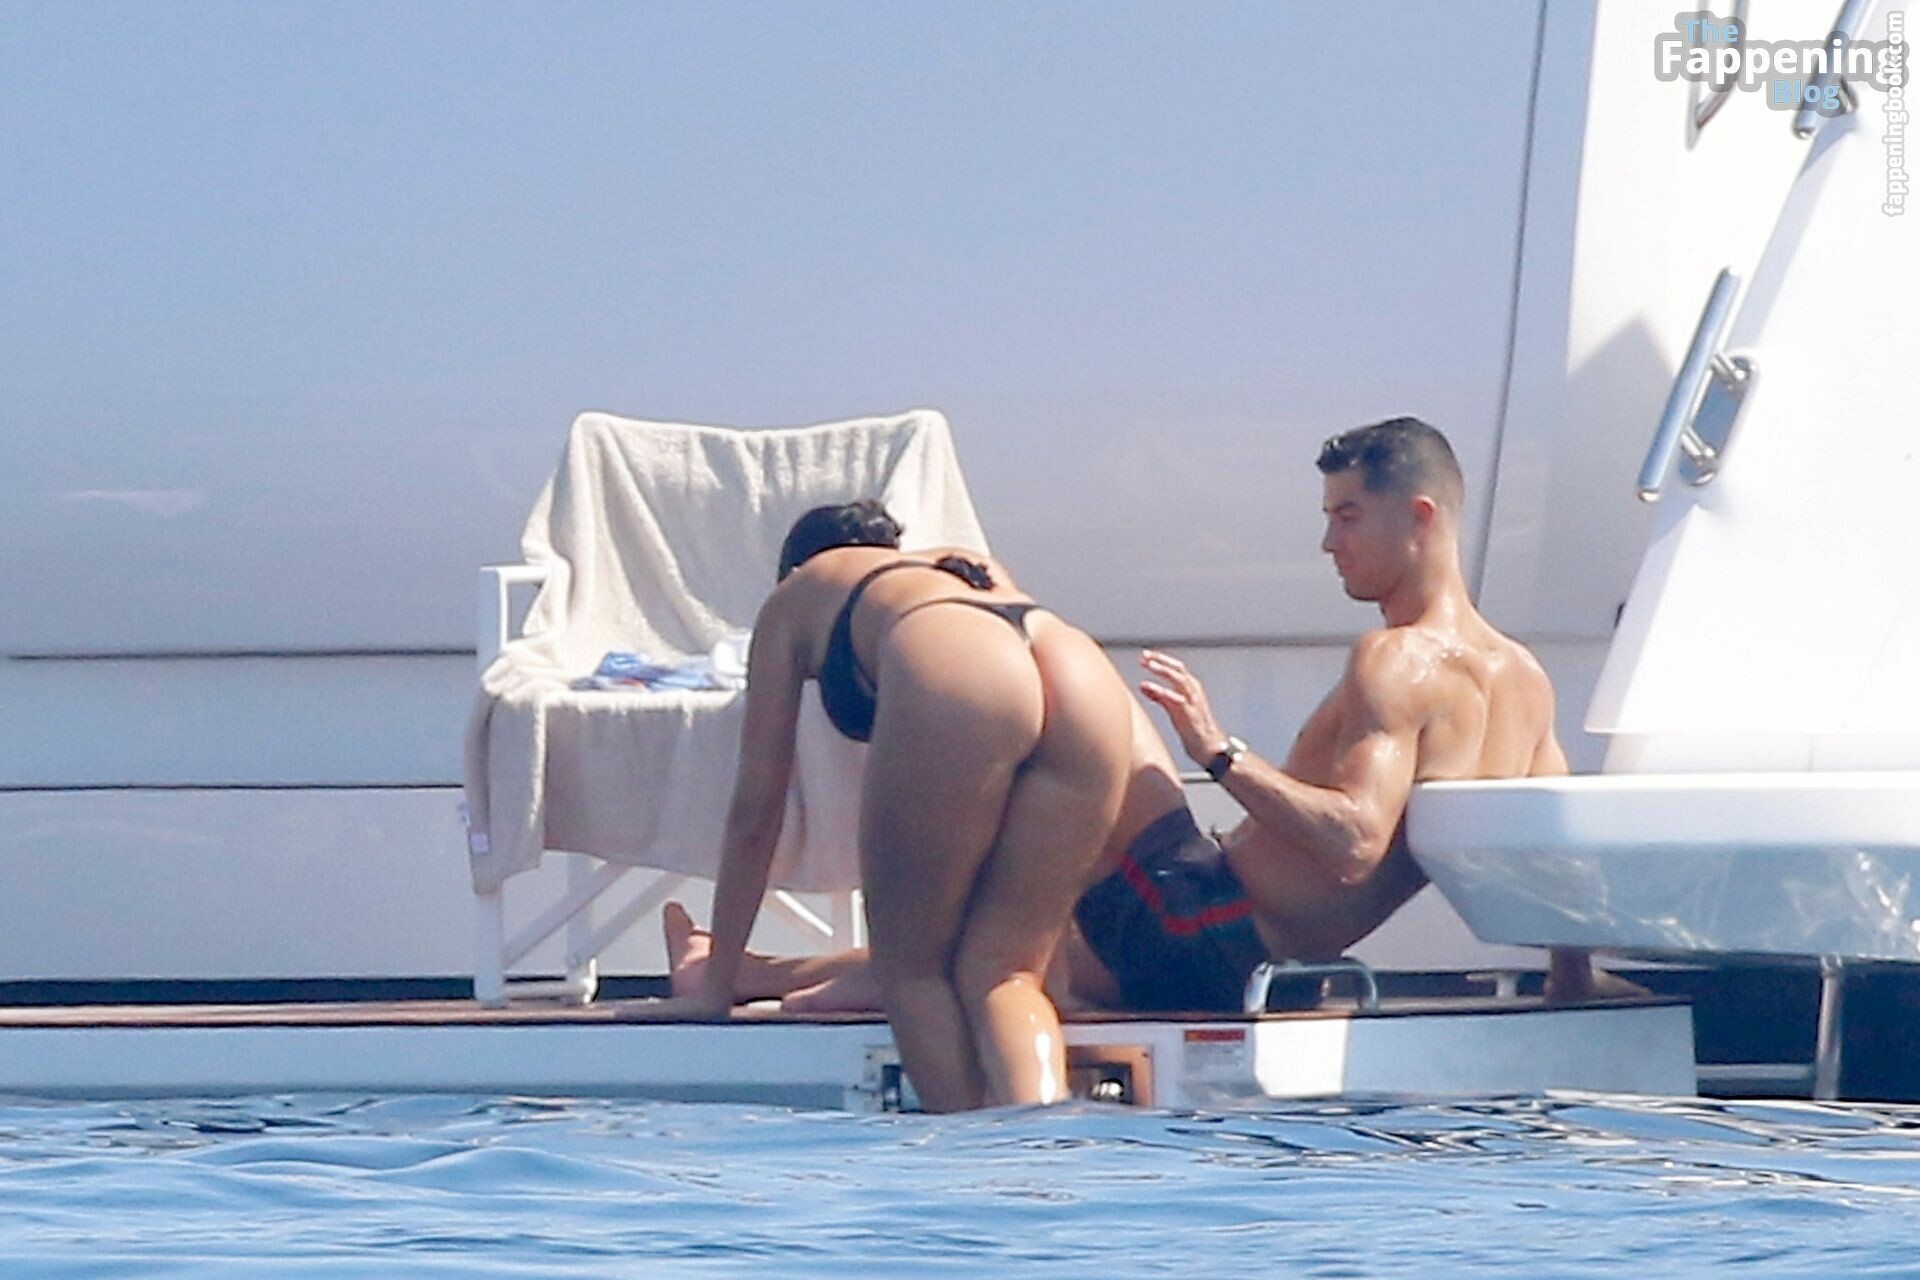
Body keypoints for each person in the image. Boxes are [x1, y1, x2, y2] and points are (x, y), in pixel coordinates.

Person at [662, 417, 1636, 1015]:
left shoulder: (1397, 659)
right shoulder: (1524, 679)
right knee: (999, 940)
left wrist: (1217, 749)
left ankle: (744, 969)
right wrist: (1570, 984)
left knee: (1057, 687)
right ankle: (748, 971)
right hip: (1233, 943)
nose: (1328, 542)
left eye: (1347, 516)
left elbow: (1353, 842)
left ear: (1420, 516)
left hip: (1198, 918)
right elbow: (1549, 849)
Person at [615, 500, 1138, 1113]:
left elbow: (757, 811)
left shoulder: (795, 597)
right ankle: (1044, 1134)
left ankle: (971, 1151)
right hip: (1079, 671)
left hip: (960, 664)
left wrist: (716, 987)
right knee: (1005, 973)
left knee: (912, 970)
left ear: (794, 567)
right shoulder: (959, 566)